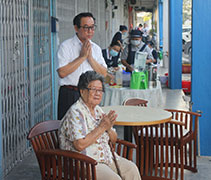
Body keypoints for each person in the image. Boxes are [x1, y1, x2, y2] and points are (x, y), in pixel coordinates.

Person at [59, 71, 141, 180]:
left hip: (106, 158)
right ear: (82, 91)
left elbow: (113, 140)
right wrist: (102, 128)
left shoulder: (98, 110)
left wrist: (109, 129)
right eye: (93, 89)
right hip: (84, 162)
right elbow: (79, 145)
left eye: (100, 90)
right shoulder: (76, 112)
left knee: (132, 169)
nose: (98, 93)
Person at [57, 12, 107, 120]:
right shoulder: (66, 46)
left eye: (92, 28)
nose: (90, 31)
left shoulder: (96, 48)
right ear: (76, 28)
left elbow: (103, 73)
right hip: (70, 93)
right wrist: (82, 57)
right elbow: (62, 73)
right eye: (86, 28)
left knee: (90, 128)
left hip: (90, 94)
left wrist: (90, 58)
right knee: (68, 129)